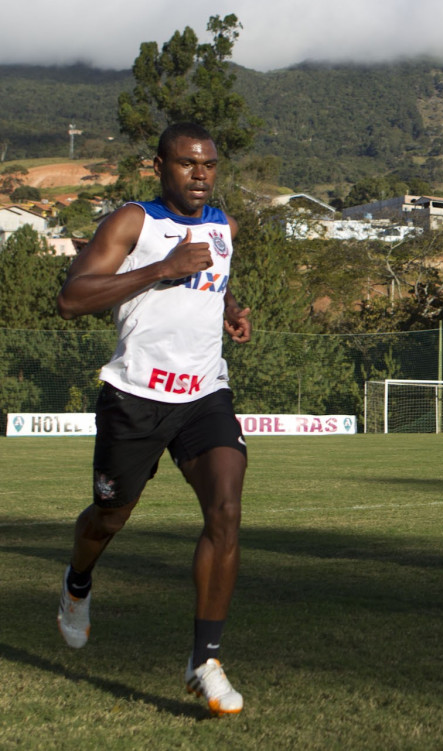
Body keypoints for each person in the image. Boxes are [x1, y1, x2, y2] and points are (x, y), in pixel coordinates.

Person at [55, 122, 252, 715]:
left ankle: (205, 660)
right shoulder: (132, 222)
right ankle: (78, 583)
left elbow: (212, 284)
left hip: (203, 395)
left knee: (226, 507)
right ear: (160, 166)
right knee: (109, 518)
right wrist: (158, 269)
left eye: (210, 165)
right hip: (136, 398)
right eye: (189, 163)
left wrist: (231, 310)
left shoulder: (224, 226)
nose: (201, 174)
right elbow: (71, 298)